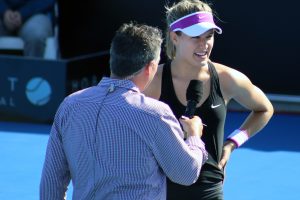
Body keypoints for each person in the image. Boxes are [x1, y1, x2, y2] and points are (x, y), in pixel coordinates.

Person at [40, 22, 208, 199]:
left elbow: (51, 185)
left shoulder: (70, 105)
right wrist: (194, 136)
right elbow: (186, 174)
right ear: (150, 67)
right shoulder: (156, 114)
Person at [143, 0, 274, 199]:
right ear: (175, 37)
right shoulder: (151, 82)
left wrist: (231, 144)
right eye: (195, 37)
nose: (204, 44)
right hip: (159, 189)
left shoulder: (228, 79)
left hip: (209, 190)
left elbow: (265, 109)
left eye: (209, 36)